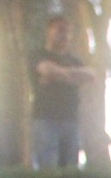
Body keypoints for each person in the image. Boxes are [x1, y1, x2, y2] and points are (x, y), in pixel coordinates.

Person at [29, 16, 95, 169]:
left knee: (70, 170)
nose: (64, 35)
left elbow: (90, 75)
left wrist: (56, 75)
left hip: (71, 120)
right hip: (45, 120)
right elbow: (46, 69)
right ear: (48, 31)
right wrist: (73, 76)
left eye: (67, 31)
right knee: (48, 169)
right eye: (60, 30)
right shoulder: (37, 55)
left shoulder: (75, 60)